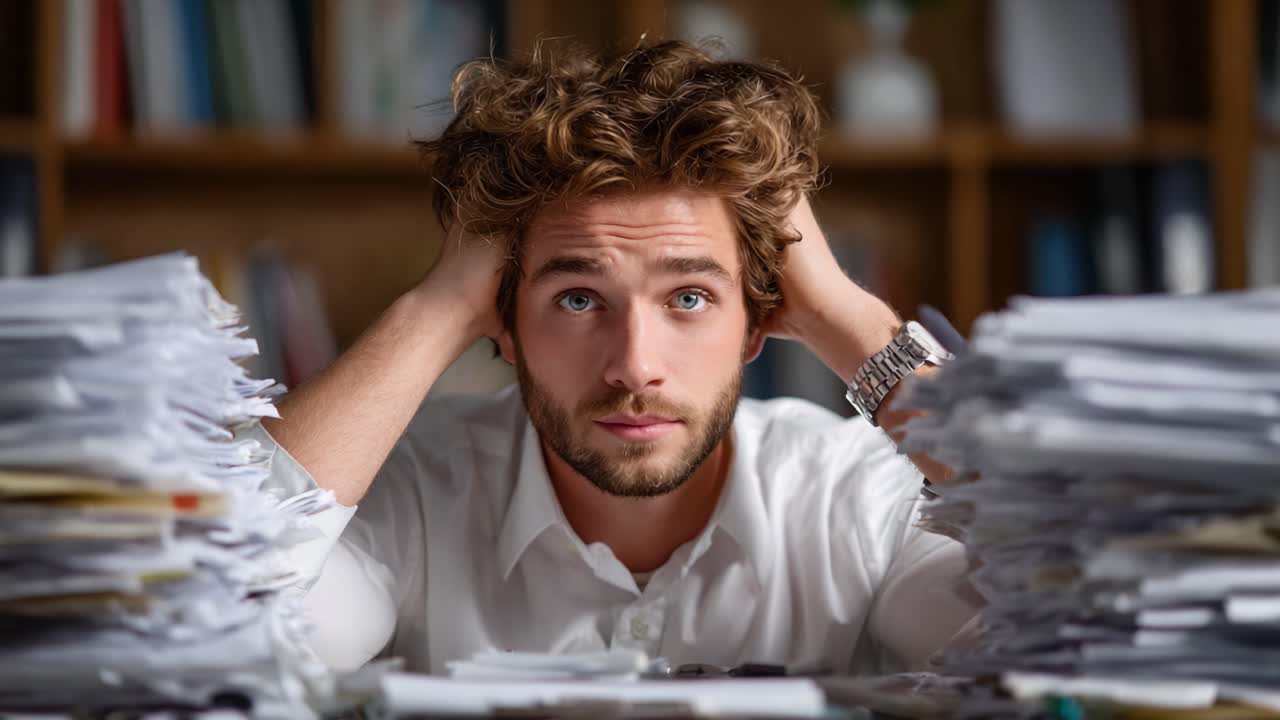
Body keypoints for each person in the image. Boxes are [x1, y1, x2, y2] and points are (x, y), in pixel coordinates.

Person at [249, 40, 980, 676]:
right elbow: (198, 624)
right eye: (577, 299)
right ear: (502, 322)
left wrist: (843, 316)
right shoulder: (410, 496)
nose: (634, 367)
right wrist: (435, 309)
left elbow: (1067, 622)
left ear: (757, 323)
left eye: (688, 298)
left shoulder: (856, 498)